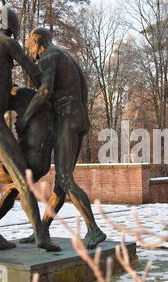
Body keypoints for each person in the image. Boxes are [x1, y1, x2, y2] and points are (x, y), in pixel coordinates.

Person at [0, 6, 60, 251]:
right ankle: (41, 235)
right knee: (22, 176)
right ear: (11, 25)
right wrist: (50, 88)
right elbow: (34, 71)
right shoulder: (6, 42)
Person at [20, 27, 107, 249]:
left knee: (66, 179)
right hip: (78, 119)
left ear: (37, 42)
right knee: (61, 181)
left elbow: (45, 91)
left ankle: (94, 229)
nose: (31, 52)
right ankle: (42, 230)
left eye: (30, 46)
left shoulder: (49, 56)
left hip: (67, 118)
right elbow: (83, 89)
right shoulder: (66, 56)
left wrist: (26, 117)